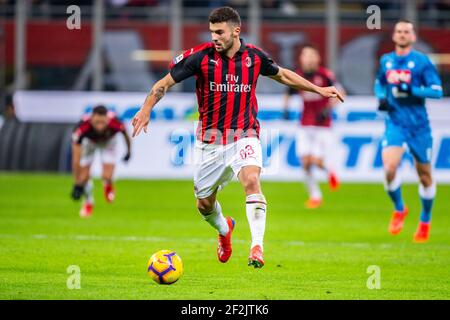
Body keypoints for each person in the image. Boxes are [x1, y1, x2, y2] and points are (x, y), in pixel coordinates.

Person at [132, 6, 343, 268]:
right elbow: (163, 84)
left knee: (252, 180)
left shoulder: (254, 57)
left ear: (236, 31)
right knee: (204, 204)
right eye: (212, 32)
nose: (215, 37)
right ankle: (224, 230)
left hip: (245, 133)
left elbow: (284, 75)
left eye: (219, 32)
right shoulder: (200, 57)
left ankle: (257, 247)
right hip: (210, 142)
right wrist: (146, 108)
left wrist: (318, 89)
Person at [374, 19, 443, 242]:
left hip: (419, 126)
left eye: (407, 31)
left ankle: (425, 219)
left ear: (413, 37)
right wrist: (382, 96)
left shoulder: (422, 62)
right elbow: (379, 83)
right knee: (389, 167)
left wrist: (411, 90)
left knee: (424, 176)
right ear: (394, 36)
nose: (402, 34)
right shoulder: (386, 61)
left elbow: (437, 91)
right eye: (399, 31)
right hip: (395, 123)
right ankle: (400, 208)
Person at [283, 45, 344, 209]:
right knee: (305, 163)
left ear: (317, 58)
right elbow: (288, 92)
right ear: (301, 59)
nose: (308, 59)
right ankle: (315, 196)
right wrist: (286, 110)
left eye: (312, 55)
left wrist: (328, 109)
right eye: (305, 55)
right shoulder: (299, 75)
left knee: (315, 161)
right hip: (305, 124)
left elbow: (341, 93)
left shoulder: (325, 75)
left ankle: (330, 171)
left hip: (323, 126)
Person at [71, 105, 132, 217]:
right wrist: (77, 183)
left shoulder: (115, 122)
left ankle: (108, 184)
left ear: (107, 119)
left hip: (108, 142)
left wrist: (129, 152)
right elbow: (76, 158)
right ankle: (88, 202)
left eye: (102, 122)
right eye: (97, 122)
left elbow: (126, 135)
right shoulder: (81, 128)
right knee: (83, 177)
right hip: (89, 143)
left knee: (107, 176)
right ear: (92, 118)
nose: (99, 126)